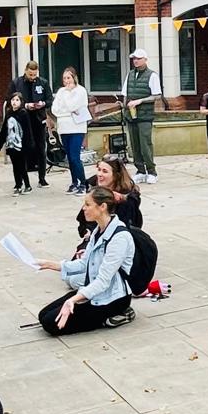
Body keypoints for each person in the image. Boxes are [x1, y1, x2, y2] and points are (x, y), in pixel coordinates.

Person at [36, 186, 138, 334]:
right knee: (43, 315)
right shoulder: (98, 230)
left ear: (102, 207)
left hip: (112, 299)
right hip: (95, 291)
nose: (84, 208)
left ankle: (117, 315)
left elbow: (103, 281)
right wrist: (51, 265)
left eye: (88, 204)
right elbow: (84, 263)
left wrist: (73, 300)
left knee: (50, 324)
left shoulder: (120, 237)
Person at [10, 61, 53, 189]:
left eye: (34, 75)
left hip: (38, 119)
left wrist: (43, 104)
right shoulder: (16, 83)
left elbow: (50, 99)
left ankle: (42, 178)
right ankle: (20, 181)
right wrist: (25, 105)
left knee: (41, 149)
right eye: (30, 74)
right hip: (22, 119)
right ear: (25, 70)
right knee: (21, 150)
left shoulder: (43, 83)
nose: (32, 77)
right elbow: (9, 99)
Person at [121, 48, 161, 184]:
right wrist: (125, 105)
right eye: (134, 59)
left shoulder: (152, 75)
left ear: (145, 59)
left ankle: (151, 171)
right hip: (131, 115)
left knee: (145, 144)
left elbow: (157, 95)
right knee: (134, 144)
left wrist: (140, 101)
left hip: (145, 115)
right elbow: (125, 94)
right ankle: (140, 170)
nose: (135, 61)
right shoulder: (130, 74)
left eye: (138, 58)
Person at [51, 67, 92, 194]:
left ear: (74, 77)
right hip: (64, 127)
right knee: (69, 158)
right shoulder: (61, 91)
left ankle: (83, 184)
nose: (66, 81)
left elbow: (72, 106)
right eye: (64, 78)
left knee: (75, 157)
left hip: (76, 127)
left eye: (68, 77)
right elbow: (55, 109)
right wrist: (66, 111)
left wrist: (67, 102)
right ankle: (74, 182)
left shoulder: (80, 91)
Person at [0, 92, 30, 194]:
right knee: (15, 165)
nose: (15, 102)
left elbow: (27, 130)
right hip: (11, 144)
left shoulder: (23, 113)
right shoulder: (9, 113)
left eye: (17, 100)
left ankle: (27, 184)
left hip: (21, 145)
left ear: (21, 102)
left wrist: (28, 144)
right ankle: (18, 185)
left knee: (22, 165)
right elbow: (4, 130)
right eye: (13, 100)